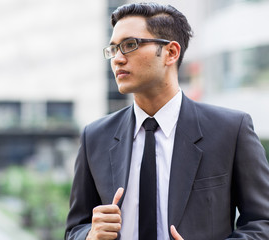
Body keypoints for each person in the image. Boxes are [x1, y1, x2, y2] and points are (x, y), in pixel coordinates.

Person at [65, 2, 269, 240]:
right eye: (113, 49)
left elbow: (262, 223)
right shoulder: (95, 137)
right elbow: (74, 229)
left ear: (171, 52)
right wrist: (90, 235)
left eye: (129, 45)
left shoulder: (231, 130)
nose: (117, 59)